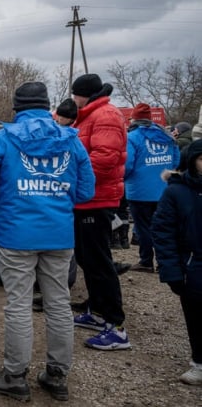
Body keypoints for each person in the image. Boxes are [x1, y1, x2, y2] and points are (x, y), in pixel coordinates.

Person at [0, 81, 95, 402]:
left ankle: (14, 376)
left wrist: (14, 185)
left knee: (18, 305)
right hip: (59, 235)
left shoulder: (5, 138)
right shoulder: (71, 140)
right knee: (58, 304)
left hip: (16, 235)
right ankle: (56, 376)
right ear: (47, 106)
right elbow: (85, 192)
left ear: (17, 107)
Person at [69, 74, 131, 351]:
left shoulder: (105, 115)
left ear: (85, 94)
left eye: (75, 94)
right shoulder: (90, 115)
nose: (73, 99)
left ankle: (116, 326)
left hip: (97, 199)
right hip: (85, 200)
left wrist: (70, 178)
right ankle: (96, 311)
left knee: (99, 261)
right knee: (86, 257)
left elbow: (104, 158)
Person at [151, 139, 202, 386]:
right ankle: (199, 362)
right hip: (192, 264)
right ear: (192, 161)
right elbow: (163, 232)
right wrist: (171, 269)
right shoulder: (176, 191)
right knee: (195, 316)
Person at [125, 103, 180, 273]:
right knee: (164, 227)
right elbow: (176, 161)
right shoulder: (167, 135)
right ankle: (166, 263)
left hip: (139, 191)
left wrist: (123, 178)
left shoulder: (133, 137)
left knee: (143, 228)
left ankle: (146, 261)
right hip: (164, 189)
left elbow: (127, 165)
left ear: (134, 118)